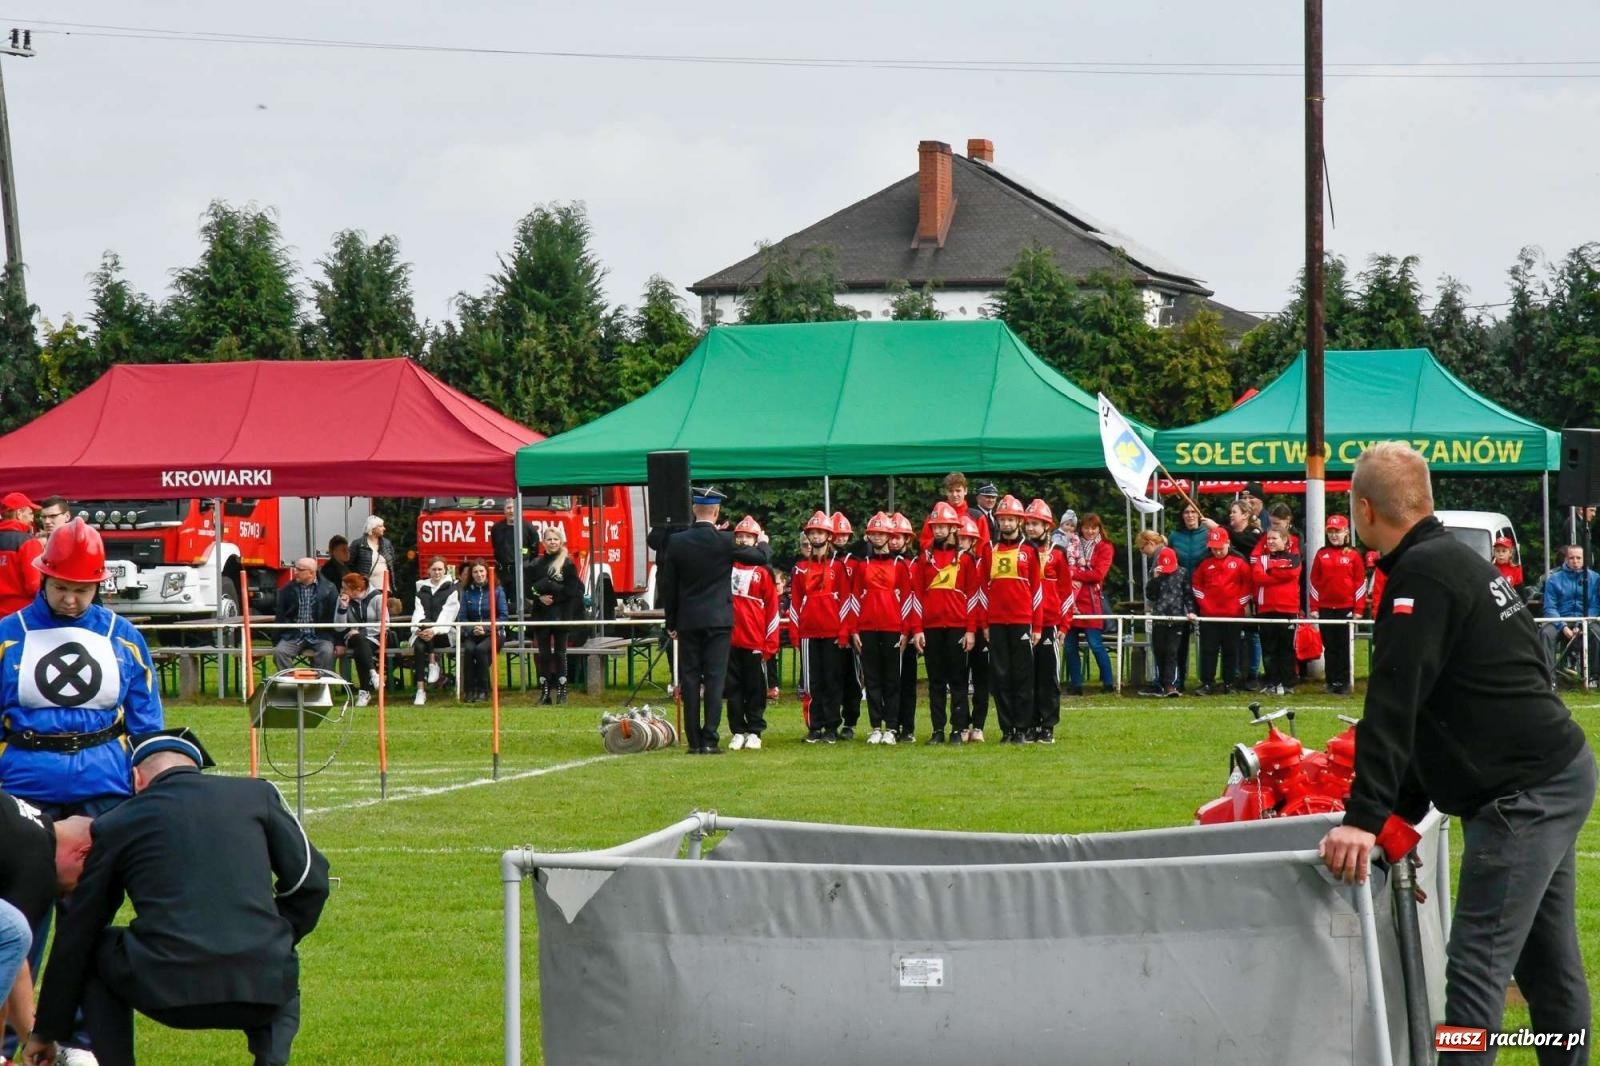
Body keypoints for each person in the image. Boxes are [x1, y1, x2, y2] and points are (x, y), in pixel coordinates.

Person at [1318, 442, 1594, 1064]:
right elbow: (1443, 708)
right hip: (1553, 771)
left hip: (1522, 794)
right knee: (1548, 967)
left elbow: (1395, 704)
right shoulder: (1463, 563)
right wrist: (1397, 815)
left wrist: (1362, 821)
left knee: (1475, 970)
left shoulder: (1420, 576)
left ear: (1363, 509)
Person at [25, 727, 331, 1066]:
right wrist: (279, 932)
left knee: (98, 948)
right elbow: (311, 881)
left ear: (137, 779)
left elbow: (80, 929)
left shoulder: (116, 823)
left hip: (166, 990)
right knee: (273, 956)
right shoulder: (256, 795)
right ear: (195, 768)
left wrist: (45, 1031)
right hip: (259, 992)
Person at [0, 519, 164, 1064]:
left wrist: (157, 790)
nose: (71, 600)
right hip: (23, 796)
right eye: (61, 587)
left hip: (105, 794)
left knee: (89, 918)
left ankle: (79, 1039)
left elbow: (148, 727)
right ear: (42, 580)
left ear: (99, 587)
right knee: (18, 922)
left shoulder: (125, 638)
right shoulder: (7, 635)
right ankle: (5, 1040)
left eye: (82, 589)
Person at [657, 487, 771, 755]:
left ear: (694, 510)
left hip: (688, 619)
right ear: (717, 512)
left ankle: (694, 741)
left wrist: (671, 622)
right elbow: (761, 558)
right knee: (716, 678)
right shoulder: (726, 541)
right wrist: (763, 541)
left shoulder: (677, 542)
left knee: (690, 678)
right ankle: (710, 737)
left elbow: (668, 586)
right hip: (719, 619)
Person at [0, 793, 94, 1049]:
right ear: (81, 854)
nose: (70, 892)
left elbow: (15, 961)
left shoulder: (30, 823)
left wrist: (31, 1035)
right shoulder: (38, 868)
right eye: (82, 882)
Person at [910, 502, 977, 744]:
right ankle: (938, 730)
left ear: (953, 527)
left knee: (958, 681)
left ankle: (958, 730)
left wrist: (970, 630)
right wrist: (917, 629)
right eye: (935, 526)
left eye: (943, 526)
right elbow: (916, 595)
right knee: (936, 682)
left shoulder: (966, 559)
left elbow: (973, 596)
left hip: (958, 628)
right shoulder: (924, 558)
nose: (938, 531)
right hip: (932, 628)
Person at [979, 495, 1041, 745]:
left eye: (1010, 520)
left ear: (1019, 521)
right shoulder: (988, 550)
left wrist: (1037, 626)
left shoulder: (1029, 550)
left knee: (1023, 676)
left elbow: (1037, 591)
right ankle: (1007, 729)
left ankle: (1022, 728)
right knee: (1000, 676)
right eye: (1002, 520)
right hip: (995, 622)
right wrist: (984, 623)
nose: (1006, 524)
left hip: (1021, 621)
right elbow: (982, 589)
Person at [846, 513, 912, 745]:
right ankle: (875, 726)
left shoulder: (900, 564)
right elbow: (853, 598)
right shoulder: (862, 565)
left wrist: (905, 631)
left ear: (889, 536)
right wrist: (853, 629)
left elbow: (907, 599)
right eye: (874, 533)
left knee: (892, 680)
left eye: (881, 533)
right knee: (872, 680)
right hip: (867, 628)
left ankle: (892, 727)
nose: (877, 537)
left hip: (893, 628)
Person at [791, 511, 849, 745]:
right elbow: (795, 602)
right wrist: (795, 633)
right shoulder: (799, 568)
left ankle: (832, 727)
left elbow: (847, 601)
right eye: (812, 532)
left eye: (820, 532)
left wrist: (844, 631)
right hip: (808, 632)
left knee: (832, 681)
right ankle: (815, 727)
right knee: (812, 682)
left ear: (829, 535)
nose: (815, 536)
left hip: (833, 632)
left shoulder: (839, 566)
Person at [726, 517, 778, 751]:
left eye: (748, 536)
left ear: (757, 540)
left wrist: (770, 642)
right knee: (733, 688)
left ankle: (755, 730)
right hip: (730, 639)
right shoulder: (728, 564)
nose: (743, 540)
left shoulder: (763, 571)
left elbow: (773, 609)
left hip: (755, 638)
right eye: (740, 536)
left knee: (755, 688)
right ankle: (737, 730)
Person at [1023, 500, 1071, 741]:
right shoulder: (1021, 553)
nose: (1031, 528)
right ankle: (1030, 724)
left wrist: (1064, 625)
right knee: (1027, 677)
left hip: (1050, 623)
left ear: (1047, 526)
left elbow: (1066, 593)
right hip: (1025, 622)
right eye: (1028, 524)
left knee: (1048, 678)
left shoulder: (1058, 555)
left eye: (1036, 524)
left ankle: (1048, 726)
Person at [1309, 514, 1366, 695]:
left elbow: (1360, 583)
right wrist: (1315, 607)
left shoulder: (1354, 555)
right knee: (1330, 646)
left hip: (1346, 608)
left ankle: (1344, 681)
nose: (1334, 535)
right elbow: (1314, 582)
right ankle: (1331, 681)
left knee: (1344, 646)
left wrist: (1358, 609)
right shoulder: (1321, 554)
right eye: (1331, 532)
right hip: (1326, 608)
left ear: (1346, 532)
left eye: (1338, 531)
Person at [1190, 525, 1251, 694]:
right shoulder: (1204, 562)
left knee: (1231, 650)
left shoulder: (1239, 561)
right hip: (1209, 615)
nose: (1217, 551)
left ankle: (1229, 683)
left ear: (1228, 543)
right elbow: (1196, 584)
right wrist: (1205, 604)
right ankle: (1207, 682)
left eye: (1220, 548)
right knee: (1208, 650)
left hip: (1233, 615)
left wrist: (1239, 604)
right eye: (1213, 548)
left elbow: (1248, 585)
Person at [527, 529, 582, 705]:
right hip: (541, 614)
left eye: (555, 539)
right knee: (543, 654)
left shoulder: (567, 564)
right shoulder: (536, 564)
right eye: (549, 539)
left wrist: (555, 596)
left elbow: (573, 590)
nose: (552, 542)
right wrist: (539, 597)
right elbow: (527, 588)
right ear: (543, 542)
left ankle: (562, 692)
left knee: (560, 653)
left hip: (561, 614)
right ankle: (544, 693)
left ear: (561, 541)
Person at [1064, 512, 1116, 695]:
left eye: (1093, 527)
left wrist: (1074, 574)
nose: (1090, 531)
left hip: (1092, 601)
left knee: (1095, 644)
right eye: (1086, 527)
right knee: (1070, 645)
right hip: (1071, 599)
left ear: (1099, 528)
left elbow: (1098, 575)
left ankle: (1108, 682)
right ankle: (1076, 684)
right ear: (1081, 528)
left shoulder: (1105, 547)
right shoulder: (1072, 544)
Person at [1251, 527, 1302, 696]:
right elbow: (1258, 577)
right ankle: (1272, 682)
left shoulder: (1293, 558)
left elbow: (1293, 573)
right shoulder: (1262, 559)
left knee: (1286, 648)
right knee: (1269, 648)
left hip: (1287, 609)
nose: (1271, 542)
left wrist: (1271, 573)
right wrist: (1279, 574)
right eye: (1269, 539)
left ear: (1285, 541)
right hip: (1266, 608)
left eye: (1275, 538)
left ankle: (1288, 683)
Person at [1540, 544, 1600, 684]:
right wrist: (1563, 626)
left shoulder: (1595, 579)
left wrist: (1581, 624)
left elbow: (1595, 605)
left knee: (1597, 634)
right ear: (1565, 559)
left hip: (1586, 620)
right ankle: (1548, 680)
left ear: (1584, 559)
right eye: (1571, 558)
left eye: (1579, 558)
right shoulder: (1553, 579)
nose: (1575, 561)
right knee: (1545, 634)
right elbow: (1550, 607)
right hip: (1560, 620)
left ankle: (1594, 677)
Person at [887, 512, 922, 743]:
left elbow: (917, 599)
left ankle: (907, 727)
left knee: (908, 683)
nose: (895, 541)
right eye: (892, 537)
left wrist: (912, 630)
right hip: (890, 629)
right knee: (890, 682)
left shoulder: (915, 564)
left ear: (908, 540)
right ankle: (891, 725)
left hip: (909, 633)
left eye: (899, 537)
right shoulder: (883, 563)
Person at [830, 513, 865, 740]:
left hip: (852, 626)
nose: (841, 538)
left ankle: (850, 722)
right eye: (837, 534)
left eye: (844, 534)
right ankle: (829, 722)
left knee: (852, 677)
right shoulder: (822, 560)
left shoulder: (857, 562)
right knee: (831, 678)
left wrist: (854, 628)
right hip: (828, 626)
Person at [1143, 547, 1195, 698]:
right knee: (1159, 651)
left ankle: (1170, 685)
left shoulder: (1183, 573)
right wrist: (1155, 579)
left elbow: (1188, 594)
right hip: (1159, 619)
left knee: (1172, 652)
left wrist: (1191, 611)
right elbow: (1151, 596)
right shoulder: (1155, 575)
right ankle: (1160, 683)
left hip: (1177, 619)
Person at [957, 515, 991, 742]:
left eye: (967, 539)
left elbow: (987, 595)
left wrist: (986, 625)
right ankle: (961, 724)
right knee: (959, 678)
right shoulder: (955, 563)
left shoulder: (984, 562)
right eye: (960, 538)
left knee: (982, 680)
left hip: (983, 628)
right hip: (962, 626)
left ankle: (978, 725)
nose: (963, 543)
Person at [457, 561, 509, 704]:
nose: (479, 575)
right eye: (475, 572)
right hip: (473, 632)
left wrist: (486, 628)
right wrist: (472, 628)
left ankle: (483, 691)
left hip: (494, 633)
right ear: (471, 574)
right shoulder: (467, 592)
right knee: (469, 650)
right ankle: (469, 691)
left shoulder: (497, 590)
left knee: (480, 650)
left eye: (481, 571)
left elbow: (503, 617)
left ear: (487, 572)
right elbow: (462, 617)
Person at [408, 558, 458, 706]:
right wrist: (418, 629)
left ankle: (432, 661)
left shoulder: (452, 590)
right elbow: (418, 613)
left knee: (423, 639)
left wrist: (434, 630)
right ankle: (420, 690)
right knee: (418, 646)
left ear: (445, 571)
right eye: (434, 569)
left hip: (444, 634)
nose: (437, 572)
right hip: (424, 634)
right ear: (428, 570)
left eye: (440, 569)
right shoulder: (421, 590)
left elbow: (448, 615)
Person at [272, 558, 337, 671]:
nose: (295, 572)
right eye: (295, 568)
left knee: (326, 652)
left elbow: (335, 617)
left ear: (311, 573)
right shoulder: (287, 589)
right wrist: (277, 639)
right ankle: (290, 684)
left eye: (300, 569)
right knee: (280, 652)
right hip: (294, 636)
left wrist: (338, 641)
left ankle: (319, 685)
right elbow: (280, 615)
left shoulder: (329, 589)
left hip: (321, 636)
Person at [332, 572, 384, 706]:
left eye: (345, 588)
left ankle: (364, 691)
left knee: (360, 650)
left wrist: (361, 631)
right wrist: (343, 608)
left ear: (357, 590)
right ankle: (373, 674)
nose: (342, 591)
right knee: (358, 639)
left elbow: (385, 623)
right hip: (351, 638)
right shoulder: (341, 599)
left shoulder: (378, 598)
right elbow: (338, 627)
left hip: (374, 637)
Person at [490, 499, 537, 614]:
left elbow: (534, 551)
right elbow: (496, 548)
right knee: (499, 604)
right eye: (509, 508)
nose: (511, 511)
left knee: (520, 605)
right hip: (502, 573)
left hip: (521, 574)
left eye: (514, 507)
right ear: (504, 510)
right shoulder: (496, 528)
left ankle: (519, 631)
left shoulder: (529, 528)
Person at [0, 493, 43, 617]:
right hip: (20, 617)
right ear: (19, 513)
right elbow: (34, 586)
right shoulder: (29, 542)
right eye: (30, 514)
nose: (32, 519)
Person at [347, 515, 395, 595]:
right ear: (372, 528)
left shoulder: (387, 544)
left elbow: (392, 560)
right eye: (380, 526)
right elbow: (349, 563)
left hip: (384, 588)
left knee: (382, 607)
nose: (384, 528)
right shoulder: (358, 544)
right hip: (365, 588)